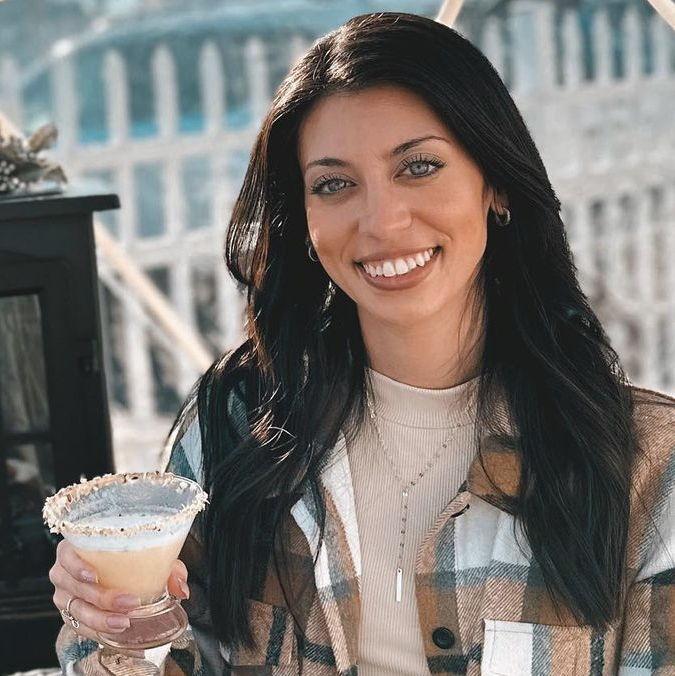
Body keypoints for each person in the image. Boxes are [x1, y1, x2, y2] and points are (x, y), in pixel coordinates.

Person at [48, 11, 674, 676]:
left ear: (495, 185)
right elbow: (156, 659)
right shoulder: (236, 428)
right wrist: (111, 623)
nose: (381, 221)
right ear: (304, 219)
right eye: (334, 184)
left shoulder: (646, 467)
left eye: (419, 167)